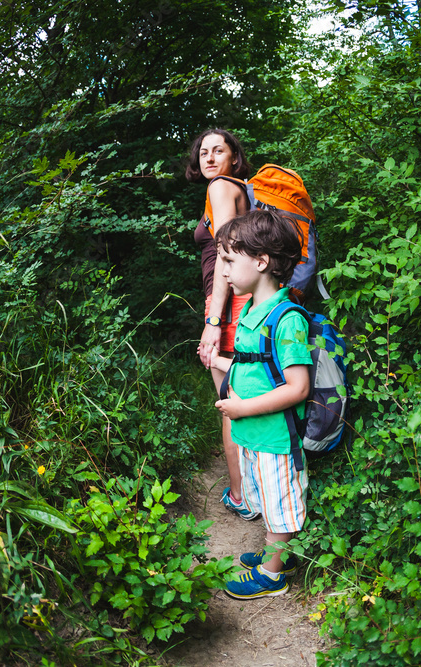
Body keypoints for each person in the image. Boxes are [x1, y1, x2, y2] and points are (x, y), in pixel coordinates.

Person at [209, 209, 311, 599]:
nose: (225, 271)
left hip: (274, 436)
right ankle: (277, 552)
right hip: (254, 433)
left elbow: (297, 387)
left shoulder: (287, 318)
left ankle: (272, 574)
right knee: (266, 498)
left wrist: (242, 409)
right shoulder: (253, 309)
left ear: (262, 262)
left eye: (230, 261)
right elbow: (254, 364)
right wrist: (219, 362)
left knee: (280, 501)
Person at [185, 128, 256, 520]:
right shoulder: (235, 189)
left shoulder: (221, 188)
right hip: (241, 302)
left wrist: (213, 320)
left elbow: (227, 255)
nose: (209, 158)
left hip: (229, 305)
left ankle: (241, 496)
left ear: (233, 158)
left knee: (229, 403)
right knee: (247, 395)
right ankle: (258, 491)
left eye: (219, 151)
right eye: (203, 152)